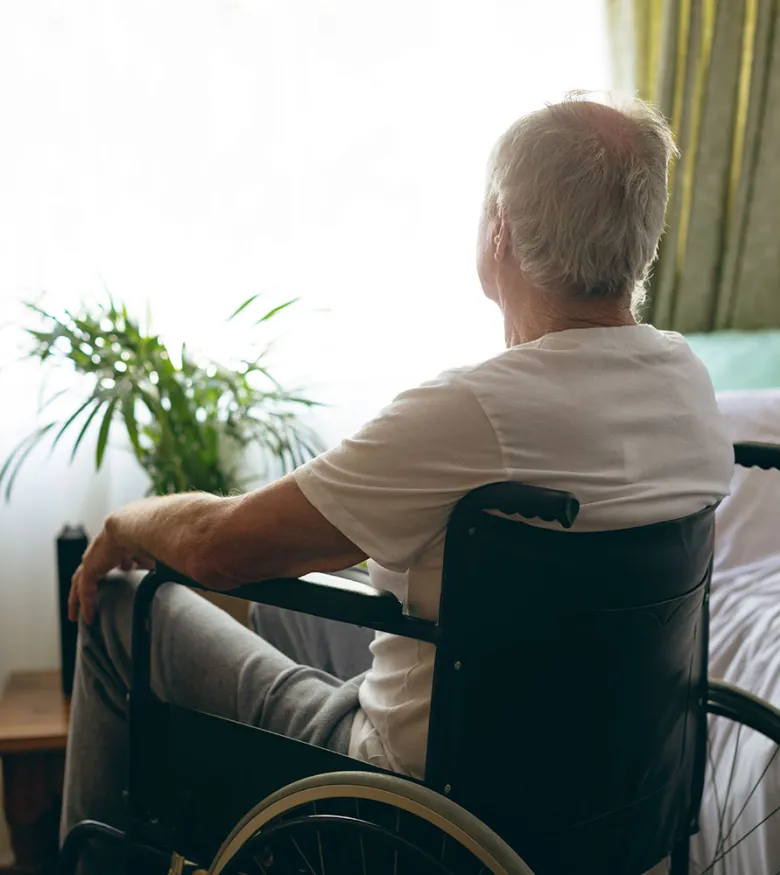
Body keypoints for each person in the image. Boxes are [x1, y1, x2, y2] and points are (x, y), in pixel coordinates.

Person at [61, 93, 734, 864]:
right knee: (290, 618)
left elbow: (219, 547)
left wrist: (123, 525)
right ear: (644, 240)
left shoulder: (474, 410)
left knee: (119, 607)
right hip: (606, 795)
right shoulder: (687, 385)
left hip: (413, 806)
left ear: (499, 231)